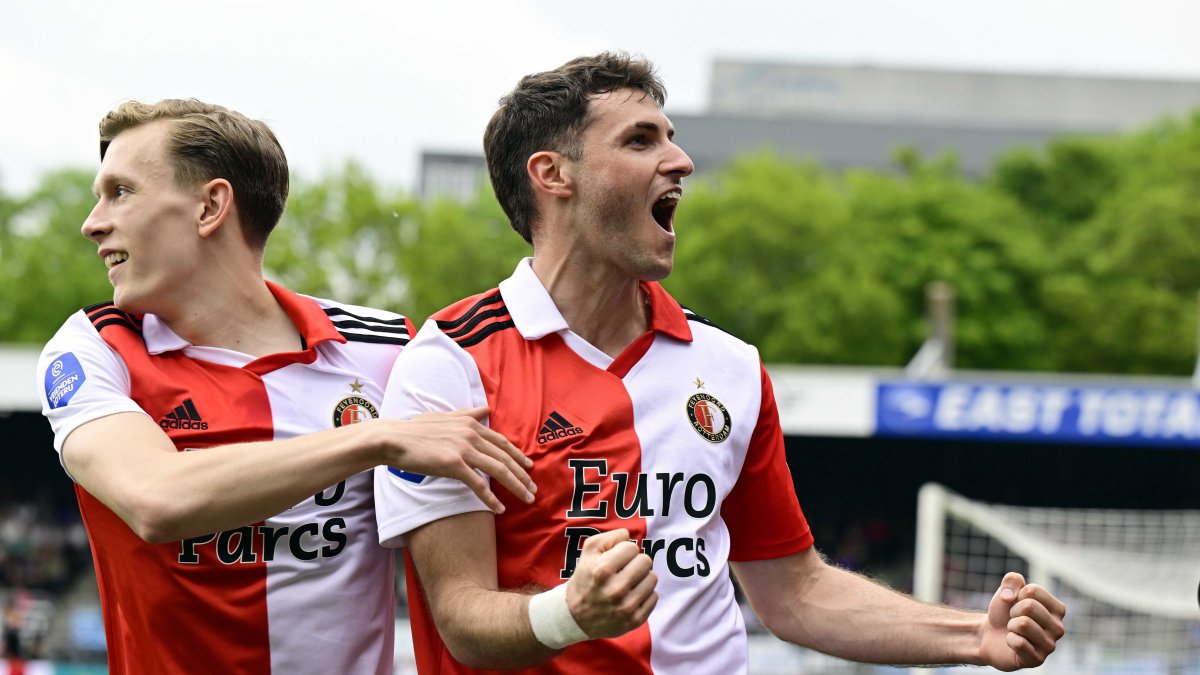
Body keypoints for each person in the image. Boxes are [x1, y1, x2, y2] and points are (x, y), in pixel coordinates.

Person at [374, 52, 1066, 674]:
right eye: (641, 140)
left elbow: (794, 591)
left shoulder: (729, 366)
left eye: (671, 138)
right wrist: (569, 612)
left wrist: (975, 633)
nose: (680, 160)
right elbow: (460, 615)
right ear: (553, 175)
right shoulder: (448, 362)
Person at [36, 98, 536, 674]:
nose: (92, 222)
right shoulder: (93, 348)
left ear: (210, 206)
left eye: (120, 192)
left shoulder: (390, 349)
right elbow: (157, 499)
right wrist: (377, 439)